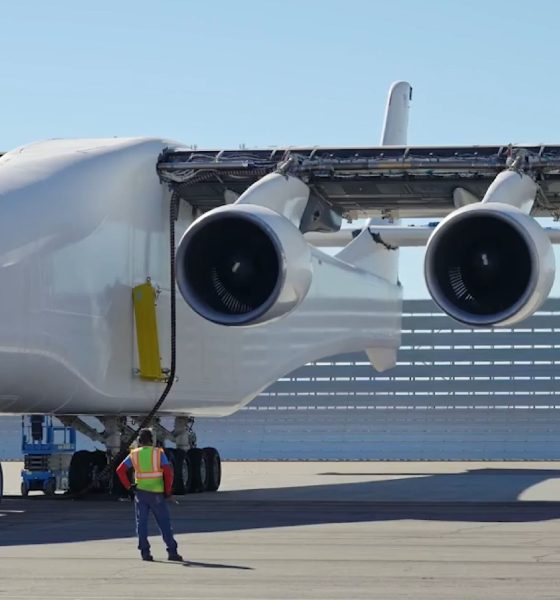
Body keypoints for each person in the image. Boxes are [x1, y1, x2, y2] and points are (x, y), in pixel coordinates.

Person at [116, 428, 183, 562]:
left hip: (141, 493)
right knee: (164, 524)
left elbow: (120, 470)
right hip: (157, 494)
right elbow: (168, 473)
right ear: (152, 440)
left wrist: (129, 486)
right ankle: (172, 552)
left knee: (141, 524)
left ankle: (145, 552)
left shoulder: (134, 454)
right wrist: (168, 491)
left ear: (139, 441)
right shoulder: (158, 453)